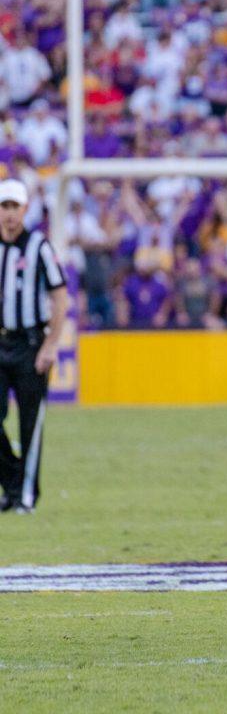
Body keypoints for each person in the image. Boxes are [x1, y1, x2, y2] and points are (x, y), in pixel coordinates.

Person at [0, 179, 68, 513]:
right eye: (4, 207)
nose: (10, 214)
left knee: (30, 422)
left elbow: (60, 295)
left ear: (25, 210)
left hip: (30, 343)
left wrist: (51, 345)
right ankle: (12, 481)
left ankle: (25, 494)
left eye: (15, 207)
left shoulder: (39, 246)